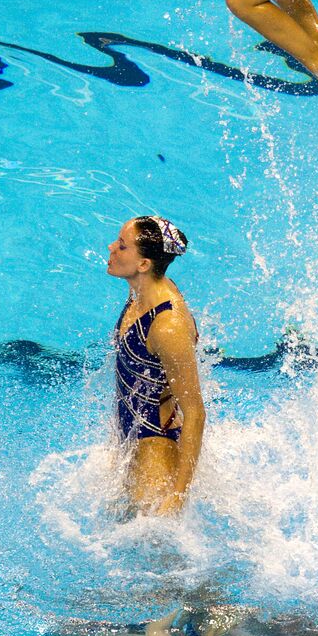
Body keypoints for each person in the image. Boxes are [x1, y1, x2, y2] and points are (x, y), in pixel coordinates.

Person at [107, 216, 205, 514]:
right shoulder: (142, 289)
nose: (111, 247)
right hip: (133, 438)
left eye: (122, 246)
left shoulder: (167, 326)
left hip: (154, 453)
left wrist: (177, 495)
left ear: (144, 264)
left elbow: (196, 414)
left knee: (158, 553)